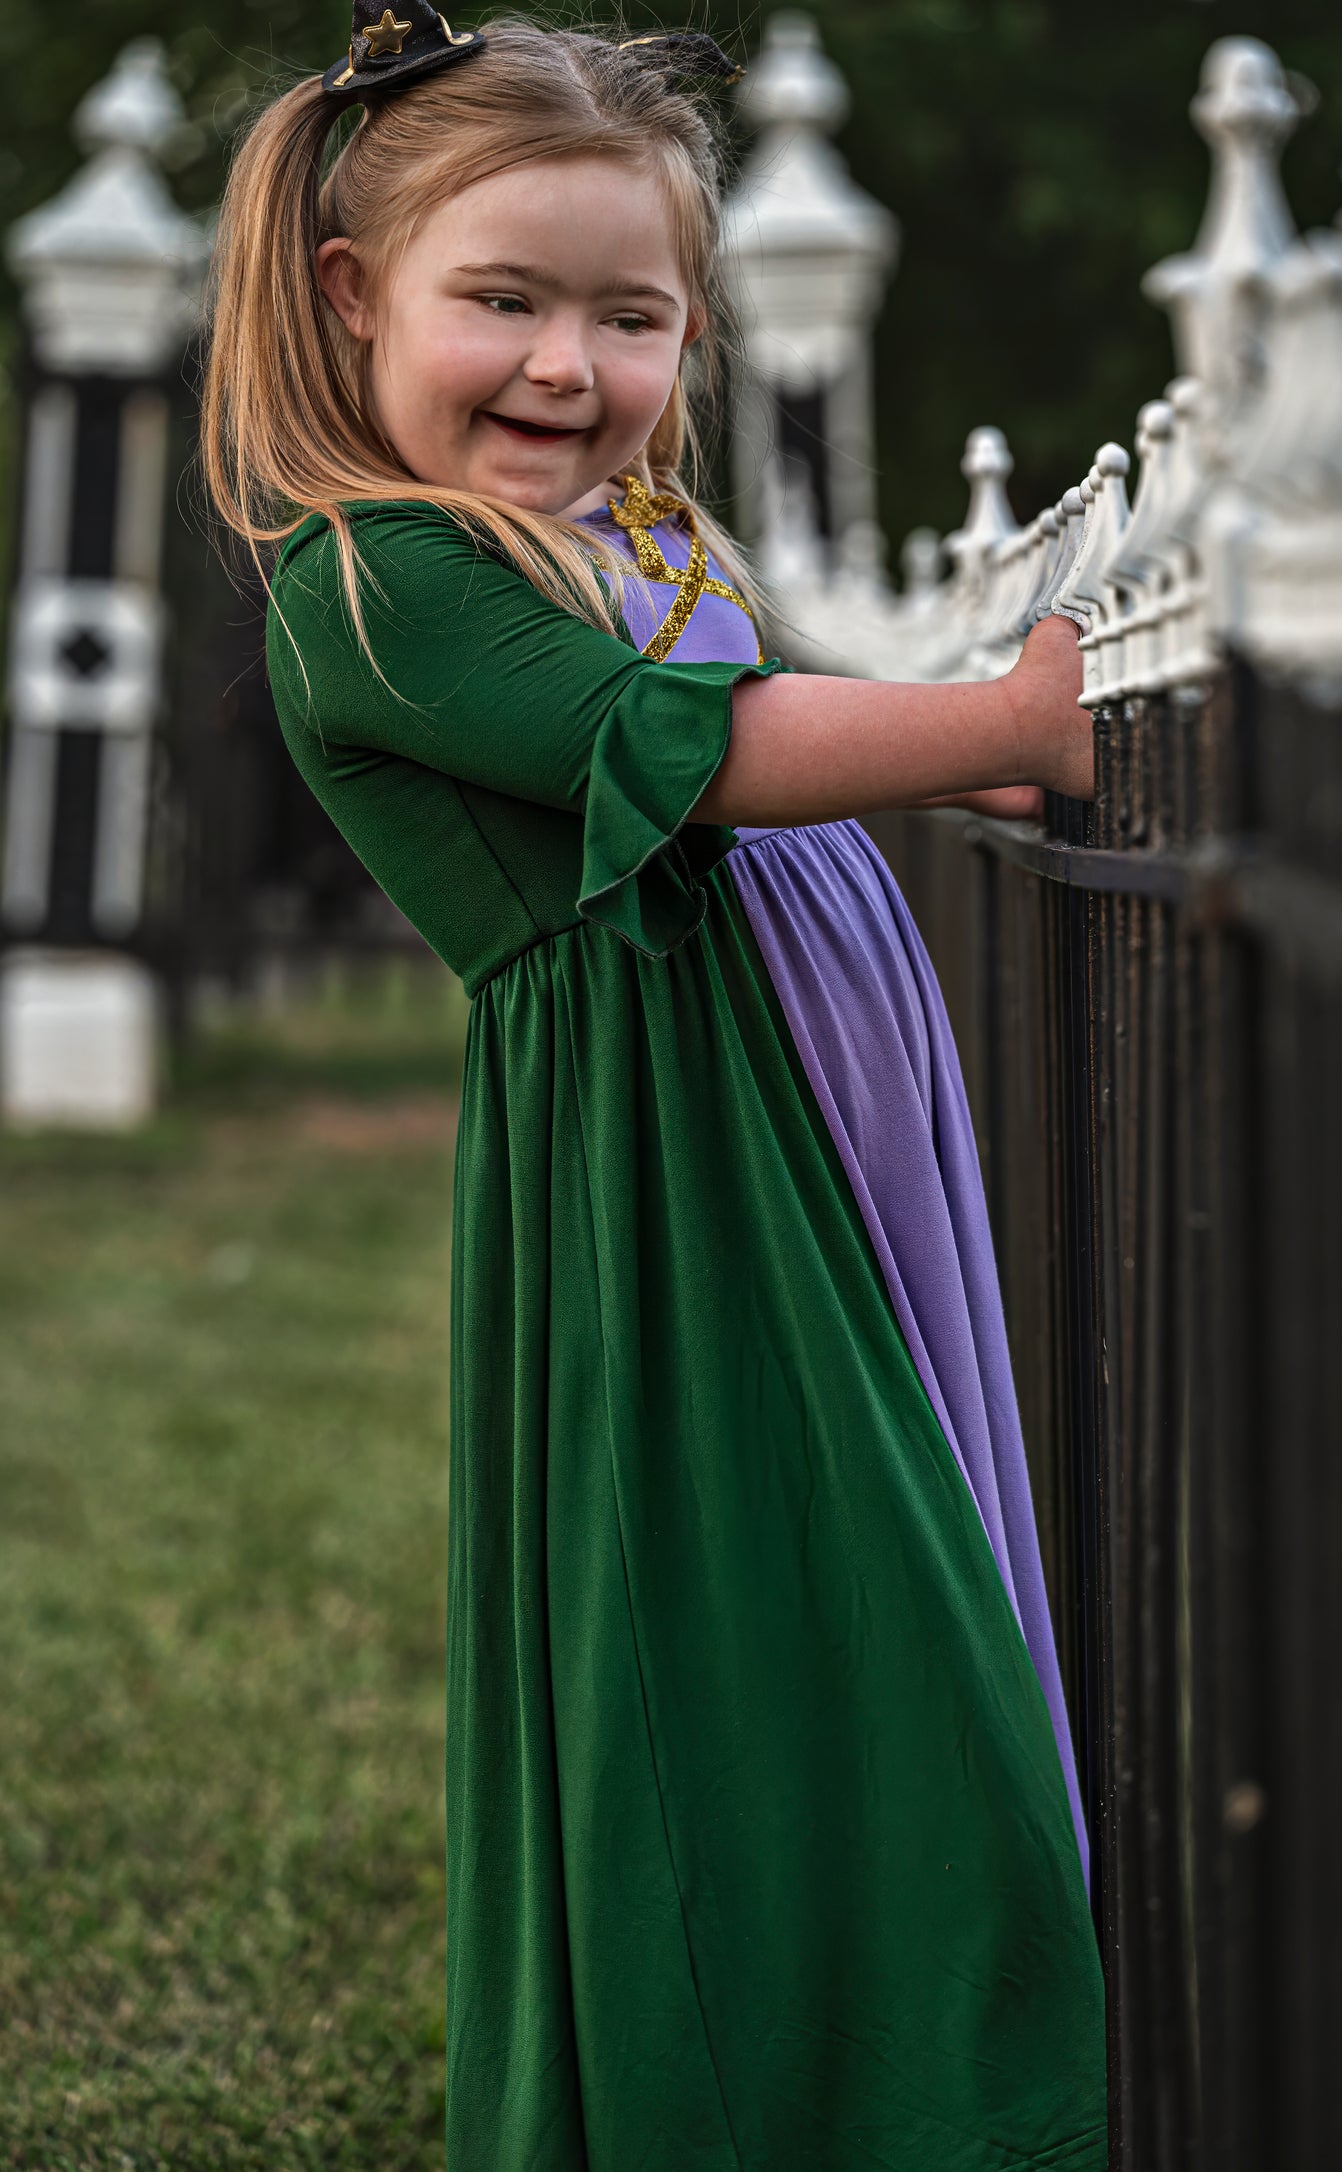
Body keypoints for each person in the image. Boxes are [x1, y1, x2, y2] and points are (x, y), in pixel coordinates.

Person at [200, 10, 1107, 2166]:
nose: (564, 365)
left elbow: (768, 707)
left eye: (629, 315)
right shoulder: (375, 579)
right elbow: (708, 753)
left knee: (878, 1594)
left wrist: (960, 739)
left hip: (791, 1130)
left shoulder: (628, 536)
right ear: (354, 300)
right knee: (791, 1636)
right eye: (499, 301)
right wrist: (1025, 717)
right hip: (678, 1171)